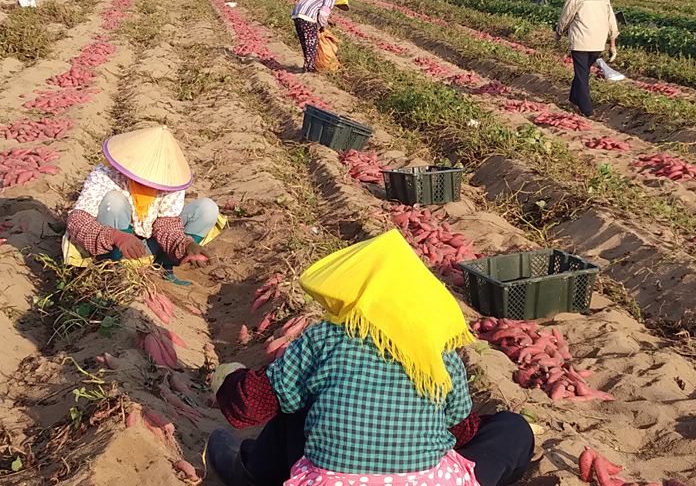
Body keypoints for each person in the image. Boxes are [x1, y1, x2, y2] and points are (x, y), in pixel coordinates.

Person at [207, 229, 534, 486]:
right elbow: (461, 431)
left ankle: (250, 471)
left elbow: (249, 408)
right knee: (512, 429)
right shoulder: (439, 350)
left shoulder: (326, 339)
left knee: (294, 401)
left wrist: (230, 379)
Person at [64, 126, 222, 270]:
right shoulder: (106, 173)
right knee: (115, 201)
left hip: (148, 245)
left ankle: (165, 265)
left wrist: (186, 244)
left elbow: (166, 225)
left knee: (207, 209)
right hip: (113, 244)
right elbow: (77, 220)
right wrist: (116, 236)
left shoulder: (171, 180)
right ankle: (113, 267)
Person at [555, 0, 619, 117]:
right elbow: (612, 22)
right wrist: (612, 44)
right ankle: (574, 98)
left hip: (580, 41)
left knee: (582, 74)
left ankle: (587, 109)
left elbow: (566, 17)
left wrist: (559, 32)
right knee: (583, 71)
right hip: (598, 43)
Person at [291, 0, 350, 72]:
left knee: (305, 43)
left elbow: (316, 9)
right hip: (307, 18)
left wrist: (328, 21)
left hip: (297, 16)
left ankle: (308, 65)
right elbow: (323, 13)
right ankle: (309, 68)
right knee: (312, 44)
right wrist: (323, 26)